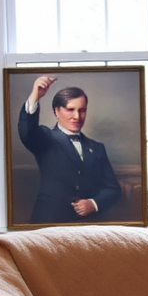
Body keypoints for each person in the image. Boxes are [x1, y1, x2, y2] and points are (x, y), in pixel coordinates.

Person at [17, 75, 121, 225]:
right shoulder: (45, 138)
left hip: (87, 227)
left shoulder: (97, 148)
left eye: (82, 110)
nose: (77, 116)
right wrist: (35, 97)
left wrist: (93, 204)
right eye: (70, 110)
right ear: (56, 111)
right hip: (48, 222)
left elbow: (113, 190)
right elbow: (27, 131)